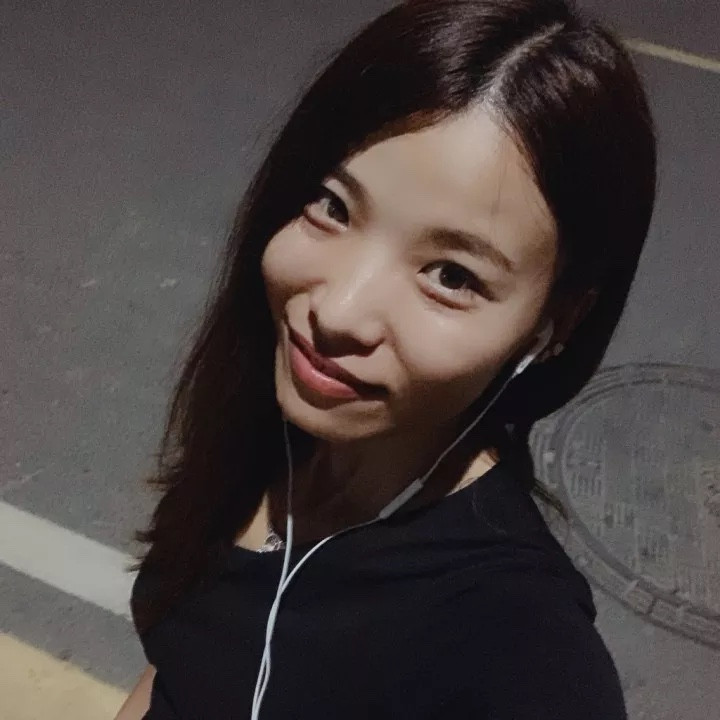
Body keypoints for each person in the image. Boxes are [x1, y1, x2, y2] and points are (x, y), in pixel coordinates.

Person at [115, 0, 656, 717]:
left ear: (554, 324)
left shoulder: (521, 653)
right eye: (333, 206)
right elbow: (178, 666)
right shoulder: (269, 435)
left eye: (451, 276)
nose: (338, 311)